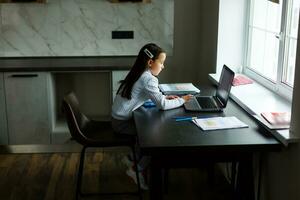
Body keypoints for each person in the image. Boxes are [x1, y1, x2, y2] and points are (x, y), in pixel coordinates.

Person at [111, 43, 192, 190]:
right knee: (153, 141)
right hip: (121, 124)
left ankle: (131, 159)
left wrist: (164, 98)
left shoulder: (139, 72)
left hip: (117, 119)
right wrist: (183, 100)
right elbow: (162, 106)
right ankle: (136, 170)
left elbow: (146, 96)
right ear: (150, 62)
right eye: (161, 62)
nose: (163, 66)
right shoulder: (148, 79)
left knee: (149, 129)